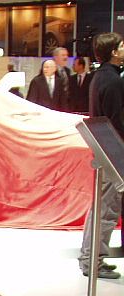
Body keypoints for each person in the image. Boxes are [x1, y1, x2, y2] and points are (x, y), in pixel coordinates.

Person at [79, 33, 124, 279]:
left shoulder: (99, 78)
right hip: (112, 151)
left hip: (104, 148)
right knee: (106, 208)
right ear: (114, 52)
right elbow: (117, 121)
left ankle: (91, 257)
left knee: (102, 206)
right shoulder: (114, 81)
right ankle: (93, 261)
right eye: (121, 46)